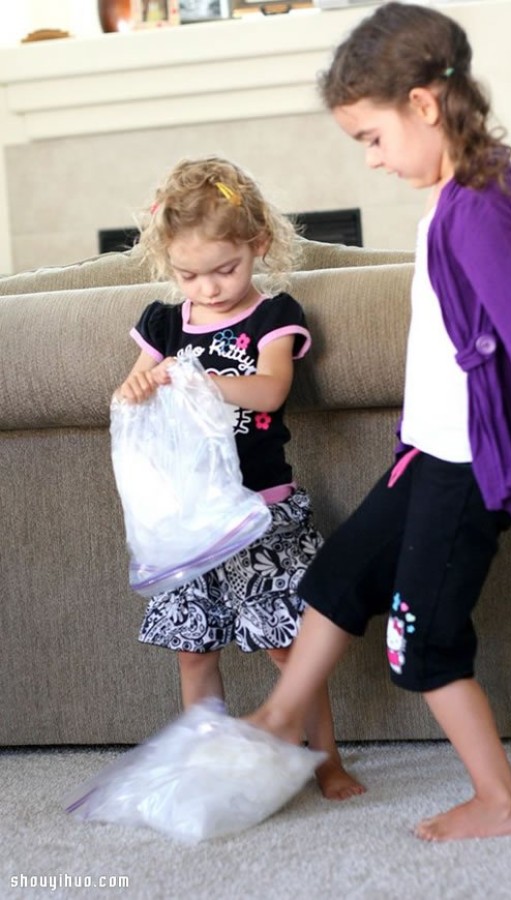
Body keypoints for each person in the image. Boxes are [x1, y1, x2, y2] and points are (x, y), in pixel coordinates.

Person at [248, 2, 511, 840]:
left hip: (470, 466)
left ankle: (502, 801)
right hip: (427, 452)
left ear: (424, 106)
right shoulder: (484, 179)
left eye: (371, 136)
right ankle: (279, 720)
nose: (371, 159)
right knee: (338, 576)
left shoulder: (469, 209)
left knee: (424, 637)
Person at [116, 156, 364, 801]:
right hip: (190, 521)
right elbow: (131, 393)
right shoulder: (163, 325)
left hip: (263, 511)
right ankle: (208, 773)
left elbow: (272, 388)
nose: (208, 288)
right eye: (188, 274)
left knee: (288, 649)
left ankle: (327, 762)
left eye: (225, 269)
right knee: (194, 651)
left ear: (257, 245)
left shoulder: (273, 314)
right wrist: (142, 379)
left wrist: (193, 377)